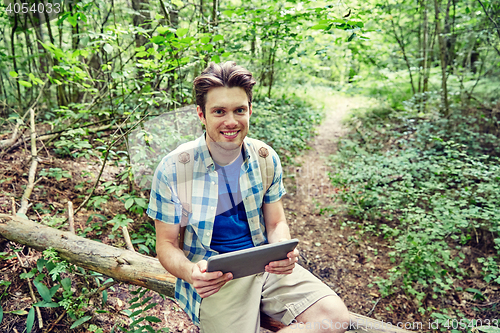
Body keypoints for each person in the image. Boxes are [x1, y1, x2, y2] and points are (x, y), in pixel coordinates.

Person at [147, 61, 350, 333]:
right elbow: (166, 245)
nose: (231, 121)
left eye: (239, 110)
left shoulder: (265, 158)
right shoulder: (174, 169)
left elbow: (276, 223)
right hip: (217, 276)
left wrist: (282, 252)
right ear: (201, 114)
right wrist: (191, 273)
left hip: (265, 265)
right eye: (219, 111)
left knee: (334, 316)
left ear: (250, 111)